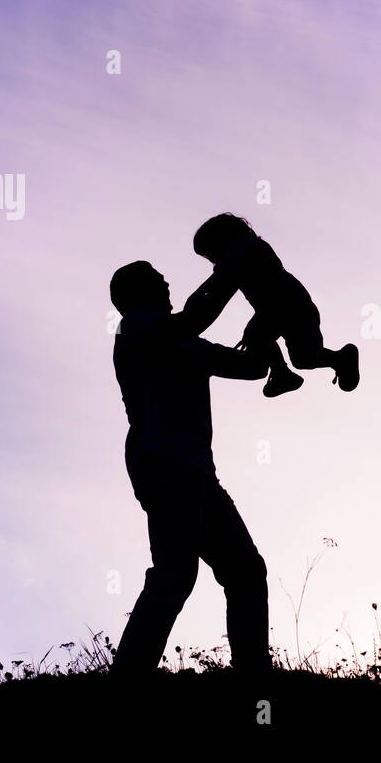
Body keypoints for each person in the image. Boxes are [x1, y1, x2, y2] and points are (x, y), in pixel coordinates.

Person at [107, 260, 272, 678]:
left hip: (196, 473)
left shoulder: (186, 344)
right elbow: (195, 318)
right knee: (176, 573)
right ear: (135, 294)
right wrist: (234, 271)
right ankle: (128, 676)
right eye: (155, 278)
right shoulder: (136, 328)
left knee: (244, 572)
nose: (166, 281)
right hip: (165, 466)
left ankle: (253, 673)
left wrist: (266, 325)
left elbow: (251, 368)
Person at [189, 213, 360, 397]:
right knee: (302, 357)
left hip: (286, 305)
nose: (213, 261)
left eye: (210, 255)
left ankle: (283, 373)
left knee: (257, 337)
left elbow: (217, 282)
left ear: (220, 240)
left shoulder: (240, 253)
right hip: (293, 305)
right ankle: (335, 360)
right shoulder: (249, 247)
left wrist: (194, 301)